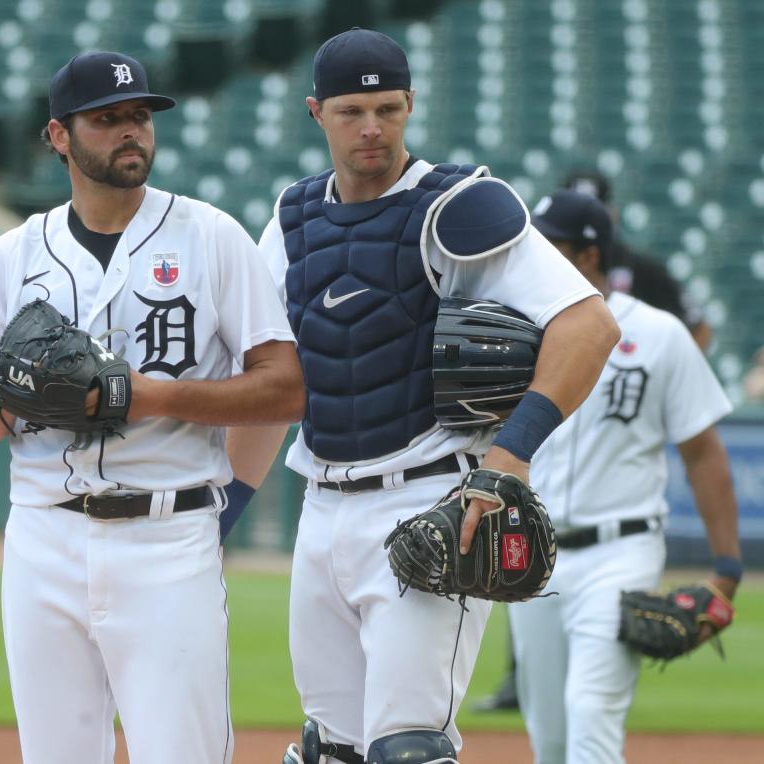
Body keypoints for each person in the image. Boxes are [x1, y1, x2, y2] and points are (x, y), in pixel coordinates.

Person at [250, 28, 620, 763]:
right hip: (320, 506)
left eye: (389, 108)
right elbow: (275, 377)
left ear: (411, 104)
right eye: (353, 110)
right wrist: (225, 504)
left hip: (429, 502)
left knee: (409, 749)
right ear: (315, 111)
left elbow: (588, 325)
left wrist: (512, 453)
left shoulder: (458, 206)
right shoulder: (294, 219)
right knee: (333, 751)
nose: (372, 127)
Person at [0, 50, 304, 764]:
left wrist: (142, 394)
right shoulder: (12, 257)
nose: (131, 131)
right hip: (43, 540)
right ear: (58, 137)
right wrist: (26, 397)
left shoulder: (212, 238)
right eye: (107, 120)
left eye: (139, 115)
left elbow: (285, 388)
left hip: (166, 539)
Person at [509, 189, 742, 764]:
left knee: (592, 714)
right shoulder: (515, 330)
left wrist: (728, 567)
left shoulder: (660, 335)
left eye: (549, 243)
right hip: (532, 556)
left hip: (622, 548)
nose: (532, 253)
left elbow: (703, 453)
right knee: (552, 738)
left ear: (588, 256)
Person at [563, 169, 713, 351]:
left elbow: (699, 328)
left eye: (593, 211)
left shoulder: (642, 268)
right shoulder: (547, 269)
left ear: (612, 213)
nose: (584, 222)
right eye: (576, 213)